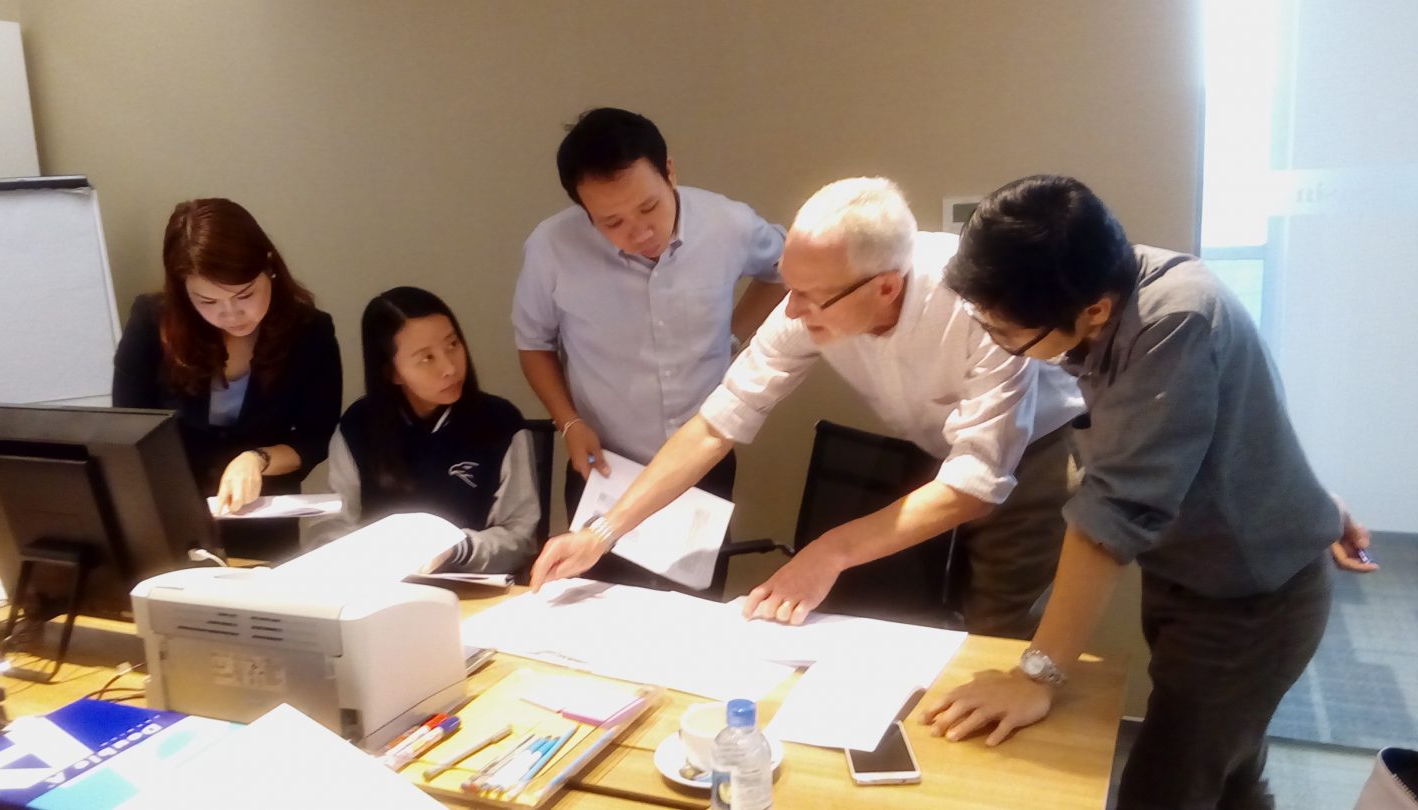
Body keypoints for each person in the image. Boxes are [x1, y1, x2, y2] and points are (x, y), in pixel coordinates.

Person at [923, 175, 1378, 809]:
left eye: (1007, 335)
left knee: (1168, 788)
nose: (1001, 343)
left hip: (1250, 602)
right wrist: (1316, 506)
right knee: (1229, 774)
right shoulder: (1100, 280)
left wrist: (1038, 673)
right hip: (1195, 574)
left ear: (1094, 310)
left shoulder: (1173, 319)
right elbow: (1239, 423)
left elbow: (1114, 510)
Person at [530, 177, 1085, 638]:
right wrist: (602, 532)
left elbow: (977, 481)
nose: (792, 311)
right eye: (790, 287)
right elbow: (717, 423)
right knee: (898, 623)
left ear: (886, 288)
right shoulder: (818, 292)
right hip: (936, 451)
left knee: (996, 636)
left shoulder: (978, 304)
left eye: (811, 296)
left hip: (1033, 456)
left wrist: (829, 550)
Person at [512, 107, 789, 536]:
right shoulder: (552, 248)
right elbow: (534, 343)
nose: (640, 231)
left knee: (699, 581)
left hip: (702, 461)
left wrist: (733, 336)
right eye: (612, 222)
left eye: (649, 207)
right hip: (604, 464)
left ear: (670, 172)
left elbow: (783, 269)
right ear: (585, 210)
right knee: (591, 578)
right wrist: (568, 422)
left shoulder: (727, 224)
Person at [112, 198, 342, 556]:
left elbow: (315, 437)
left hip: (262, 519)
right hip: (170, 515)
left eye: (245, 294)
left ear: (269, 267)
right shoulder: (151, 323)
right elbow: (127, 431)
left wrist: (257, 458)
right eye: (207, 301)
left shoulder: (310, 332)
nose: (231, 314)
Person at [305, 287, 540, 574]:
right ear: (391, 371)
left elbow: (520, 537)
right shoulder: (358, 426)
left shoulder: (500, 422)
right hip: (381, 584)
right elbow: (330, 525)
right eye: (427, 358)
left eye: (452, 344)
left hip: (471, 584)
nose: (449, 368)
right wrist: (364, 559)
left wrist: (458, 549)